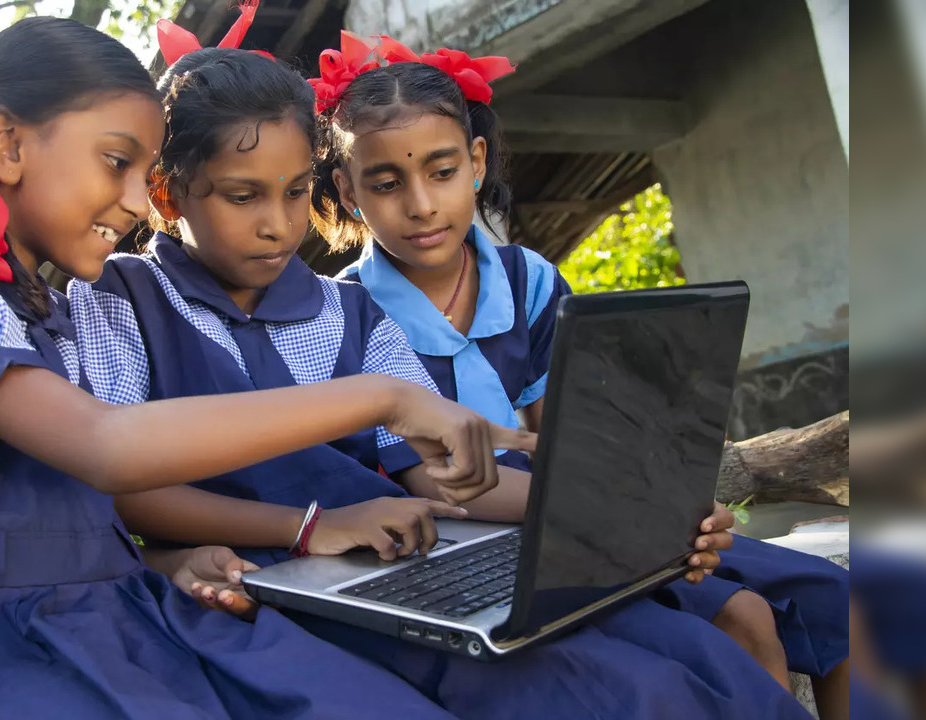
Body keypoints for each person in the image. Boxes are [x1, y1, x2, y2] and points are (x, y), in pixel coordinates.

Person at [0, 16, 533, 719]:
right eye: (117, 162)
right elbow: (106, 448)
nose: (132, 203)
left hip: (119, 613)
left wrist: (170, 563)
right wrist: (381, 399)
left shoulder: (56, 311)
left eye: (141, 172)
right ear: (7, 143)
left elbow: (78, 522)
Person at [69, 33, 811, 719]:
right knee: (621, 692)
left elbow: (445, 473)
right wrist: (308, 527)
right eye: (243, 196)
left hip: (400, 569)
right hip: (261, 584)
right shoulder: (118, 301)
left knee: (704, 662)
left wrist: (638, 516)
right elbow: (127, 487)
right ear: (168, 196)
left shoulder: (350, 313)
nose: (278, 223)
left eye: (295, 192)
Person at [318, 33, 850, 718]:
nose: (420, 204)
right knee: (743, 621)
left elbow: (570, 433)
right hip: (477, 543)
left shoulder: (527, 280)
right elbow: (438, 484)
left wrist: (671, 512)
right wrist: (640, 518)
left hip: (584, 517)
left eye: (442, 172)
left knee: (841, 599)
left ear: (476, 163)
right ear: (346, 189)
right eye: (386, 184)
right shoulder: (350, 315)